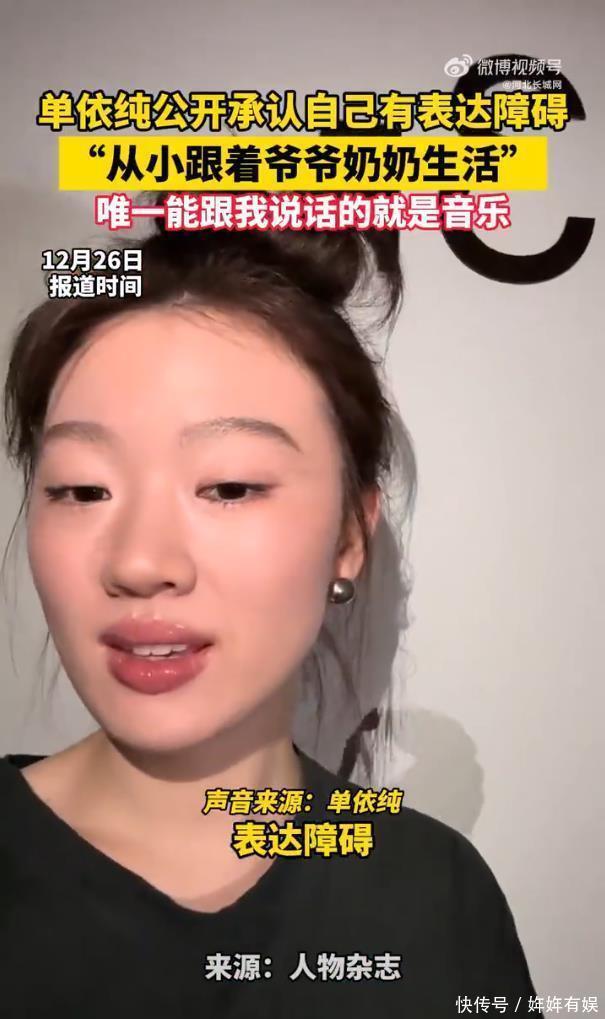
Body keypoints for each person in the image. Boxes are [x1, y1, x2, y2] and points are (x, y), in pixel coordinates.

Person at [0, 202, 541, 1017]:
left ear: (349, 534)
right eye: (81, 489)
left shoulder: (436, 896)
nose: (140, 562)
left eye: (229, 486)